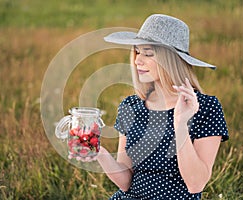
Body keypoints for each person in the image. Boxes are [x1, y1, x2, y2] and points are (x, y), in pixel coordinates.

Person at [96, 14, 229, 200]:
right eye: (137, 51)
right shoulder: (131, 106)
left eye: (148, 53)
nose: (137, 61)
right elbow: (126, 182)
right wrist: (98, 153)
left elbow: (195, 184)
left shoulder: (206, 108)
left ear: (171, 60)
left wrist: (181, 124)